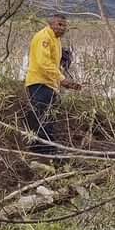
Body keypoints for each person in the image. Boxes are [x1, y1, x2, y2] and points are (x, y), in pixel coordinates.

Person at [24, 13, 82, 156]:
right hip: (40, 84)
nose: (62, 28)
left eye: (64, 26)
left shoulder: (55, 39)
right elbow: (44, 63)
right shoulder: (44, 37)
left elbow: (54, 59)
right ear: (51, 23)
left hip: (50, 85)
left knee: (46, 118)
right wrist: (62, 79)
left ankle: (40, 151)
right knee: (45, 119)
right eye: (59, 25)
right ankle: (47, 153)